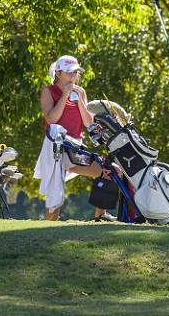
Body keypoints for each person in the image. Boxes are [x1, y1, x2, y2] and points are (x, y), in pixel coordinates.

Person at [37, 55, 116, 222]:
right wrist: (65, 95)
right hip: (56, 148)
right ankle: (46, 230)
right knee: (55, 197)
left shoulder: (81, 92)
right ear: (58, 73)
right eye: (70, 73)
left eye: (76, 73)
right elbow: (51, 119)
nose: (74, 76)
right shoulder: (48, 91)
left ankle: (100, 217)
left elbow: (88, 123)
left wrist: (79, 99)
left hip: (75, 148)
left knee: (109, 171)